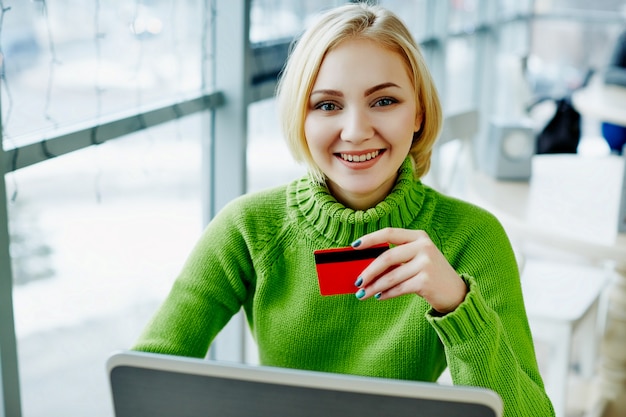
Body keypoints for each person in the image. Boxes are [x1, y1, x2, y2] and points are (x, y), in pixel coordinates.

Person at [133, 3, 554, 416]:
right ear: (301, 118)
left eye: (384, 101)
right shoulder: (248, 228)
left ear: (419, 113)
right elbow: (145, 382)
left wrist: (457, 305)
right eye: (327, 105)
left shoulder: (473, 236)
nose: (355, 132)